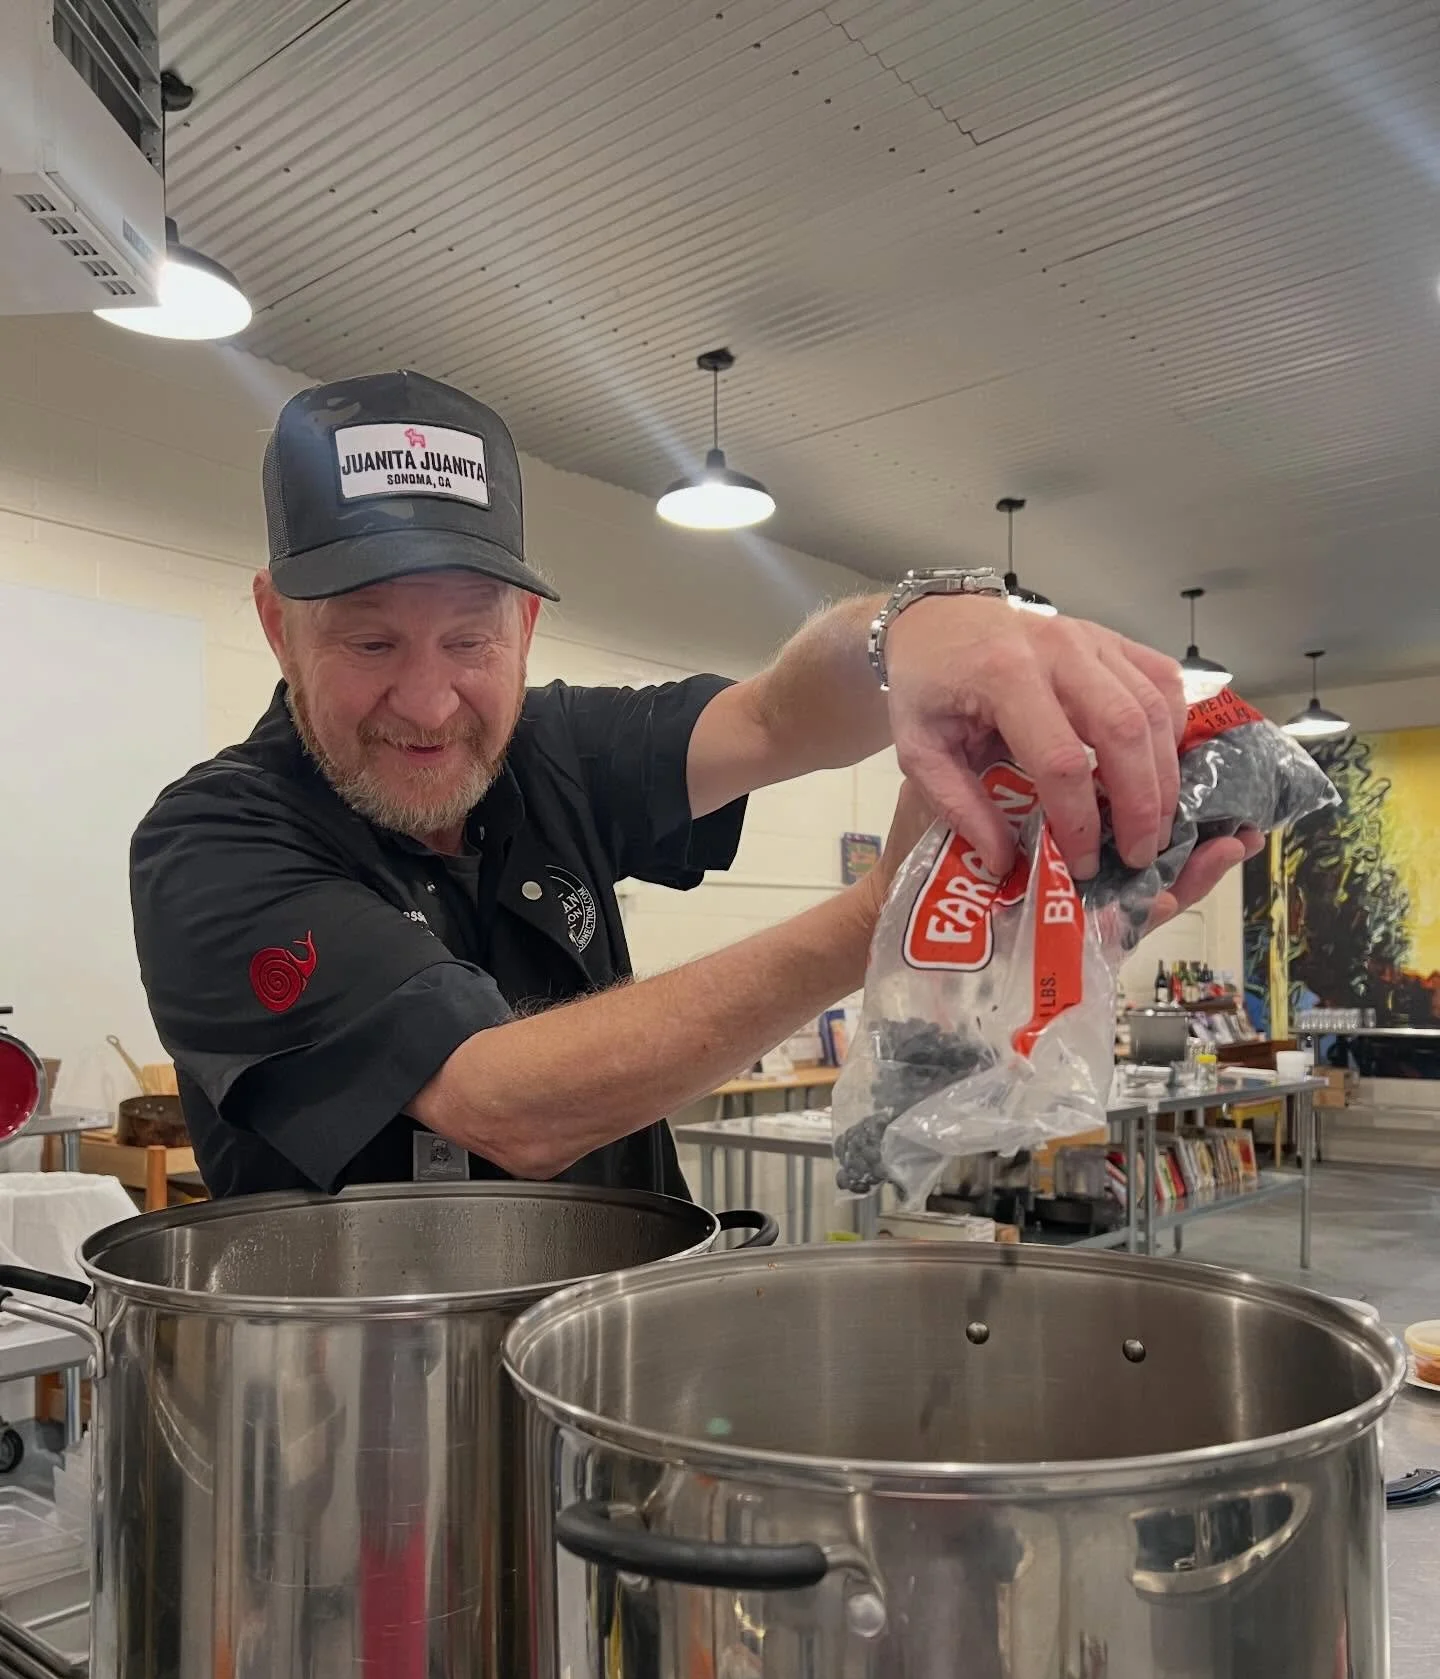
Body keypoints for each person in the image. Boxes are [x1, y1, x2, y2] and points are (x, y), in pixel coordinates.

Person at [130, 371, 1253, 1200]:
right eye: (371, 646)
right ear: (279, 627)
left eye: (469, 644)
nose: (428, 705)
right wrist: (889, 921)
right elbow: (498, 1102)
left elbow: (775, 716)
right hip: (350, 1429)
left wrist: (913, 631)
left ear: (524, 626)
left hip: (603, 1375)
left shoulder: (549, 748)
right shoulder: (213, 843)